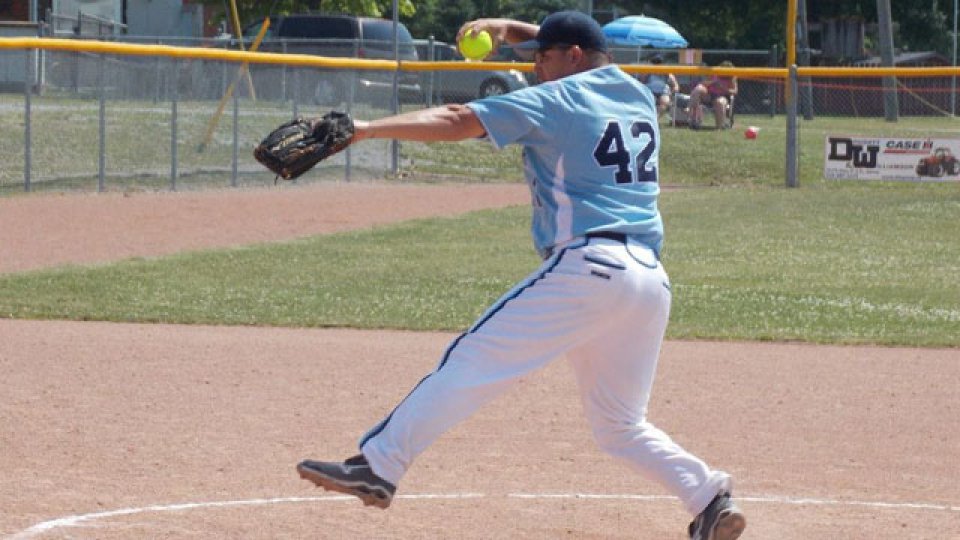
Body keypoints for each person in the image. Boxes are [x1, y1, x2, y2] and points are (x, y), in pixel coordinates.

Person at [295, 11, 746, 540]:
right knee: (619, 425)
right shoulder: (636, 94)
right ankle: (708, 498)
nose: (535, 68)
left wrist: (365, 130)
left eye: (542, 58)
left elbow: (458, 119)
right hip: (649, 281)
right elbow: (579, 44)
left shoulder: (557, 99)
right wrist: (515, 29)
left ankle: (379, 464)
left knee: (472, 360)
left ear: (572, 58)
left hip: (589, 269)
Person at [687, 60, 738, 129]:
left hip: (721, 96)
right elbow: (703, 83)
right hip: (709, 94)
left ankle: (719, 127)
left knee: (720, 102)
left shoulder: (732, 77)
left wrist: (723, 88)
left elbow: (735, 91)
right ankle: (692, 118)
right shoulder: (714, 72)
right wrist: (712, 82)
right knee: (698, 89)